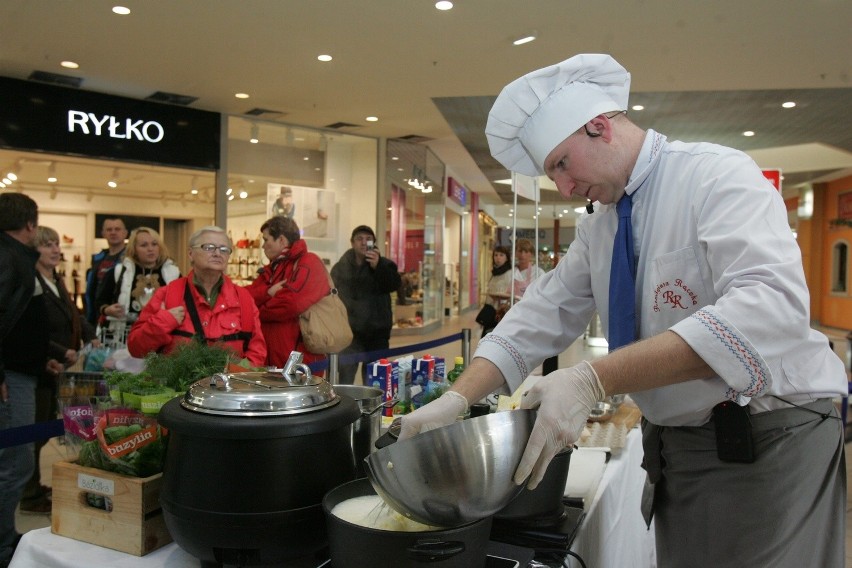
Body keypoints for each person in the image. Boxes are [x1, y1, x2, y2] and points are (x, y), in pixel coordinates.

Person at [399, 53, 847, 567]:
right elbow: (539, 314)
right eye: (552, 175)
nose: (564, 188)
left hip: (769, 442)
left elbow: (767, 310)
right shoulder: (602, 226)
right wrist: (457, 399)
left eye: (562, 165)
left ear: (599, 126)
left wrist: (591, 379)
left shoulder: (716, 176)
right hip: (679, 450)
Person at [0, 193, 61, 567]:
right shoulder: (11, 258)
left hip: (25, 371)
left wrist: (44, 358)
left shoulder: (15, 257)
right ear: (30, 225)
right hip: (12, 378)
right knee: (15, 463)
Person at [19, 227, 98, 515]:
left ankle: (33, 488)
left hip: (60, 367)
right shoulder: (30, 281)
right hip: (41, 366)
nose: (55, 250)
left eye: (56, 244)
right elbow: (31, 329)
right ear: (34, 249)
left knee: (45, 424)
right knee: (35, 430)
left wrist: (90, 334)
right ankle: (28, 494)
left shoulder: (55, 279)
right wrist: (58, 351)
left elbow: (73, 313)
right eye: (47, 245)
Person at [127, 226, 266, 366]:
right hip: (178, 387)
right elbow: (136, 348)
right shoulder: (168, 294)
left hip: (228, 386)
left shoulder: (243, 299)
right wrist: (163, 321)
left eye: (224, 249)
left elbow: (257, 353)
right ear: (190, 253)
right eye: (209, 247)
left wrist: (237, 379)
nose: (217, 253)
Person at [245, 216, 329, 369]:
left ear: (282, 240)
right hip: (269, 362)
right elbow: (244, 297)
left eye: (266, 240)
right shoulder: (271, 269)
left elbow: (290, 304)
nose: (263, 246)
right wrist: (268, 292)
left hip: (299, 364)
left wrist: (257, 311)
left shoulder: (309, 262)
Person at [331, 225, 401, 385]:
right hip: (349, 334)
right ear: (352, 243)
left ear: (374, 243)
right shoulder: (341, 267)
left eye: (368, 239)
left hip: (377, 335)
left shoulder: (385, 265)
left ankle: (373, 409)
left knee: (375, 382)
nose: (364, 243)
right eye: (359, 239)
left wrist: (378, 267)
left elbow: (394, 284)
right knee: (345, 381)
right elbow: (332, 294)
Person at [96, 227, 180, 343]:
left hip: (162, 336)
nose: (150, 249)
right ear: (134, 249)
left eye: (154, 244)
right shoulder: (118, 272)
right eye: (144, 245)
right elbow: (100, 301)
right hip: (124, 337)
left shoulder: (173, 274)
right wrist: (107, 310)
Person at [84, 217, 127, 325]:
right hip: (97, 315)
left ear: (125, 233)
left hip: (120, 317)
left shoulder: (130, 259)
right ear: (103, 233)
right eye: (109, 229)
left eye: (117, 229)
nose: (113, 232)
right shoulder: (98, 258)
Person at [479, 246, 512, 337]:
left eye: (501, 255)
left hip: (502, 311)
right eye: (496, 255)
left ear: (507, 258)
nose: (498, 258)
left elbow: (510, 292)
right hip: (491, 309)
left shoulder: (510, 273)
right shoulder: (494, 273)